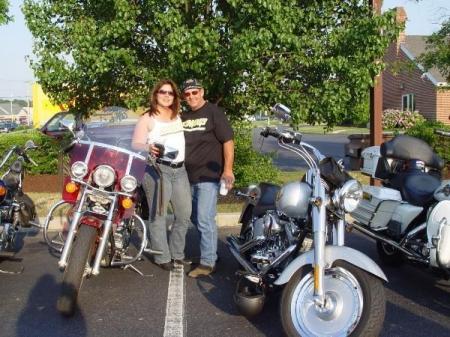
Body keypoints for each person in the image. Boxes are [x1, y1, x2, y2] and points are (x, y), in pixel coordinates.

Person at [132, 79, 192, 271]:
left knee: (184, 215)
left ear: (174, 96)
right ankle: (162, 256)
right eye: (162, 92)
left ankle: (177, 254)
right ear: (156, 94)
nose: (166, 95)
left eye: (170, 93)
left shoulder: (178, 116)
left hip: (180, 170)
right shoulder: (147, 118)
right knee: (158, 215)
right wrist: (147, 147)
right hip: (157, 170)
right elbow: (135, 144)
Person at [180, 78, 235, 278]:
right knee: (193, 217)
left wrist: (227, 170)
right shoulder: (183, 116)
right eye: (187, 94)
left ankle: (208, 262)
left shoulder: (213, 112)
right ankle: (210, 251)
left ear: (202, 92)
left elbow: (228, 141)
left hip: (208, 176)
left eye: (194, 92)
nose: (191, 96)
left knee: (204, 218)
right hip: (185, 177)